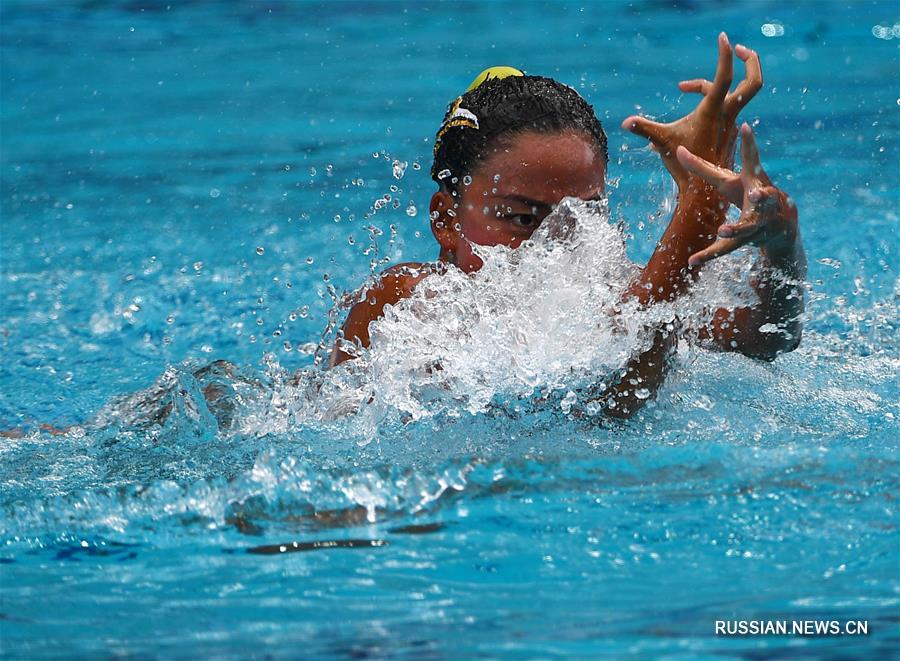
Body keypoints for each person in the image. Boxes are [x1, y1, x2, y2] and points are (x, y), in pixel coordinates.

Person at [328, 33, 807, 419]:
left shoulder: (606, 294)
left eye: (583, 216)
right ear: (446, 220)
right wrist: (700, 204)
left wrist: (782, 245)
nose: (554, 243)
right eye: (521, 217)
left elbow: (767, 338)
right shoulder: (403, 306)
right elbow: (610, 398)